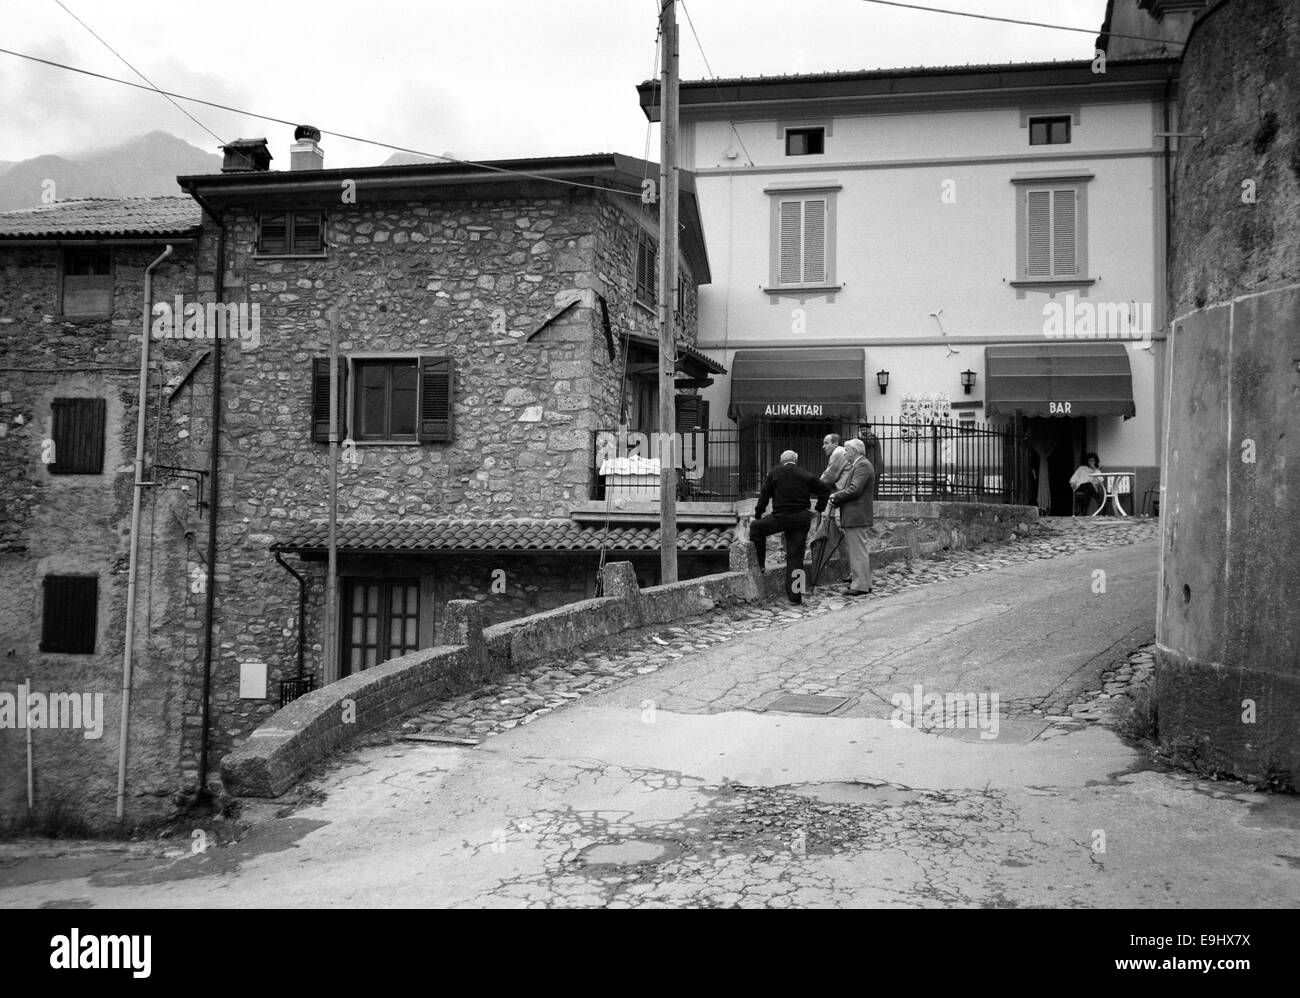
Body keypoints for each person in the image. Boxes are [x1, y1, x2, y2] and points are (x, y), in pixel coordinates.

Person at [750, 449, 830, 605]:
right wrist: (819, 508)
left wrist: (758, 513)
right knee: (796, 557)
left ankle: (760, 564)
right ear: (796, 460)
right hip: (801, 519)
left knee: (756, 528)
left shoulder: (775, 472)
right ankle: (796, 596)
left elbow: (764, 495)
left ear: (782, 461)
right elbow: (825, 490)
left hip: (781, 517)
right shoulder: (805, 474)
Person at [828, 438, 876, 595]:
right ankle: (864, 583)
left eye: (847, 451)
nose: (845, 453)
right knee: (859, 551)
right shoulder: (860, 464)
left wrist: (836, 496)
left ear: (854, 451)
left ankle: (860, 585)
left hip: (856, 515)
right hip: (856, 515)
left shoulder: (861, 465)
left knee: (857, 552)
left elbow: (855, 489)